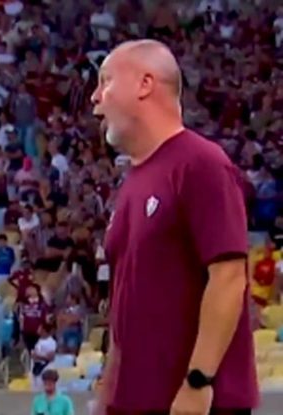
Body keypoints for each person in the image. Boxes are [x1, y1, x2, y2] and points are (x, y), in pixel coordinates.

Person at [91, 40, 258, 415]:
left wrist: (198, 383)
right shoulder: (134, 181)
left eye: (105, 81)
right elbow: (123, 309)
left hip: (191, 404)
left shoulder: (199, 163)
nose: (94, 97)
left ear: (144, 84)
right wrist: (106, 399)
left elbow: (229, 276)